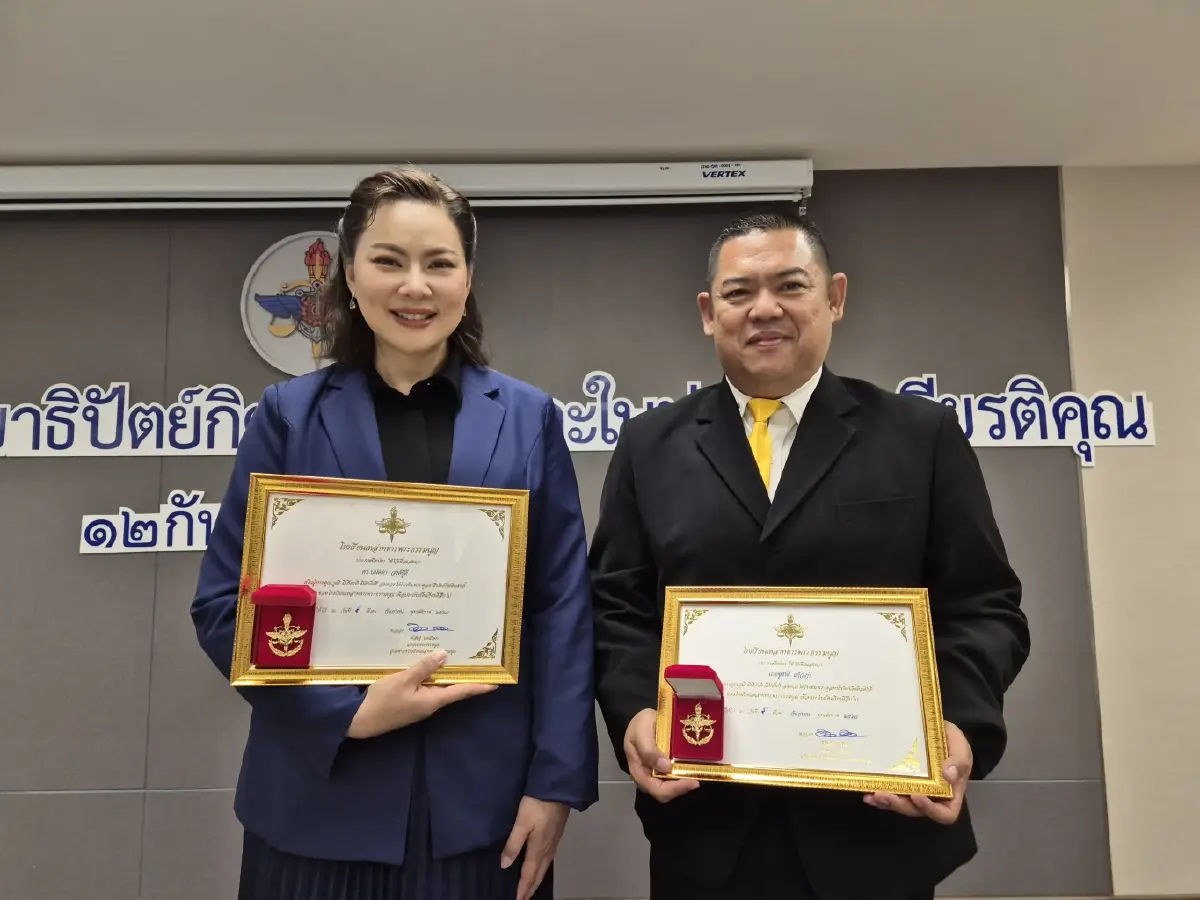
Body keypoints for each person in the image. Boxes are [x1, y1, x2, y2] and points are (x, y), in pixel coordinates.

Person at [590, 209, 1030, 900]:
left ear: (835, 298)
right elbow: (617, 606)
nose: (764, 309)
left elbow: (983, 606)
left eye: (790, 286)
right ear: (709, 313)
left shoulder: (921, 436)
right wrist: (638, 714)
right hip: (708, 827)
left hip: (876, 826)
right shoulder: (651, 445)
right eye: (739, 293)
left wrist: (958, 727)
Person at [192, 167, 598, 900]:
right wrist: (345, 714)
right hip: (317, 805)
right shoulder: (287, 416)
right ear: (350, 275)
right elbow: (225, 606)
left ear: (467, 279)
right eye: (389, 261)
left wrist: (556, 785)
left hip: (486, 813)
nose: (415, 286)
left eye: (439, 263)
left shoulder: (529, 418)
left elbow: (561, 612)